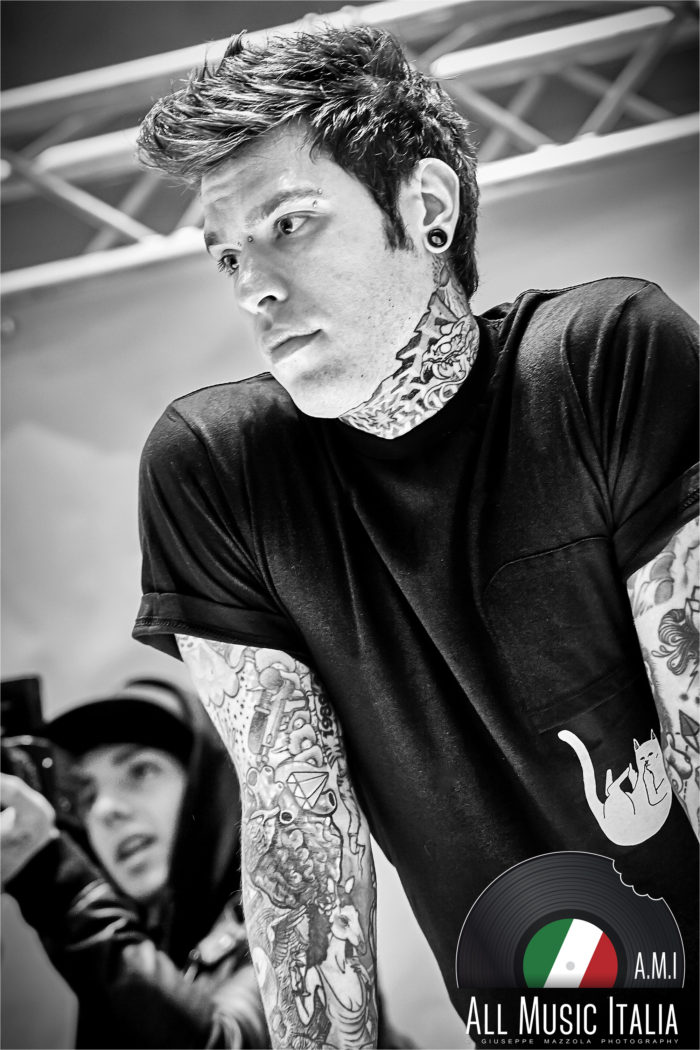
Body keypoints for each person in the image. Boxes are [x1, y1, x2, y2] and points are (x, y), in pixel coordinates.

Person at [131, 23, 699, 1049]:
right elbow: (299, 846)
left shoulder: (600, 361)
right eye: (228, 255)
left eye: (289, 224)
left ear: (428, 208)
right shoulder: (218, 471)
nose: (252, 286)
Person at [0, 678, 268, 1048]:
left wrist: (53, 879)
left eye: (140, 771)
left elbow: (227, 1042)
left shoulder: (283, 924)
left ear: (206, 788)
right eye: (86, 797)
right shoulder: (131, 961)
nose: (105, 810)